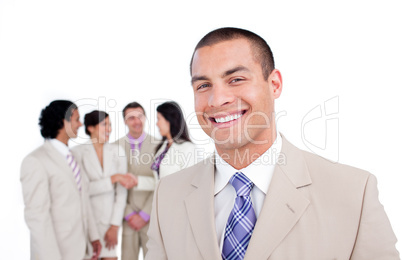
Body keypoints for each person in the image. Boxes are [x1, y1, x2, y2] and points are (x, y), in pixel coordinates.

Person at [145, 28, 400, 260]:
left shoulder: (354, 192)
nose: (217, 99)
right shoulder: (167, 196)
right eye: (203, 85)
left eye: (236, 79)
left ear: (274, 84)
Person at [20, 100, 101, 260]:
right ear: (63, 122)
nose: (80, 124)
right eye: (77, 119)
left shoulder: (74, 157)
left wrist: (94, 236)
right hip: (56, 252)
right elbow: (37, 218)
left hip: (82, 249)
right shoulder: (36, 160)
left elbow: (83, 198)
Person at [72, 110, 137, 260]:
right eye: (104, 125)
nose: (109, 129)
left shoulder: (117, 151)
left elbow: (121, 193)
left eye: (110, 125)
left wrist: (114, 226)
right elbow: (82, 190)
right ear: (91, 128)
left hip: (110, 224)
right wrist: (113, 179)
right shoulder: (77, 153)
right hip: (87, 224)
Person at [115, 102, 159, 260]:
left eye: (140, 116)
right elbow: (114, 186)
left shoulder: (159, 145)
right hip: (128, 218)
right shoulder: (114, 147)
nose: (136, 121)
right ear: (125, 121)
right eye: (131, 118)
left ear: (145, 118)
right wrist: (129, 214)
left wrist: (145, 214)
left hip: (152, 217)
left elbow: (160, 182)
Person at [151, 101, 197, 179]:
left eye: (159, 119)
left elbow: (190, 181)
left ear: (169, 120)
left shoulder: (188, 148)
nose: (157, 124)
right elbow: (157, 182)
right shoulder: (163, 147)